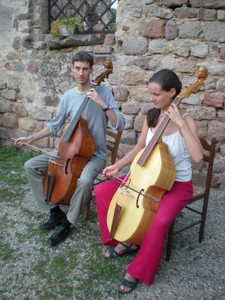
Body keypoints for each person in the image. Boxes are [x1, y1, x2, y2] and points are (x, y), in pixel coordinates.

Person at [94, 69, 203, 294]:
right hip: (146, 176)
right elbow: (139, 148)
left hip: (177, 184)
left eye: (156, 94)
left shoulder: (187, 119)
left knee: (160, 220)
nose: (151, 99)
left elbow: (198, 157)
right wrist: (118, 166)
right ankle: (125, 239)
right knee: (103, 191)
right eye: (150, 93)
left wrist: (180, 124)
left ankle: (136, 270)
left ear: (173, 93)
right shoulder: (152, 115)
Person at [15, 51, 125, 246]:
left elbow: (120, 124)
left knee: (84, 181)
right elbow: (55, 125)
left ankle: (67, 223)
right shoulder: (69, 96)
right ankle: (54, 211)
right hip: (67, 152)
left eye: (85, 68)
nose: (81, 73)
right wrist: (30, 137)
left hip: (94, 156)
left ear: (91, 70)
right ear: (72, 69)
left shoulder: (104, 92)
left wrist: (102, 104)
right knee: (30, 165)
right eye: (77, 68)